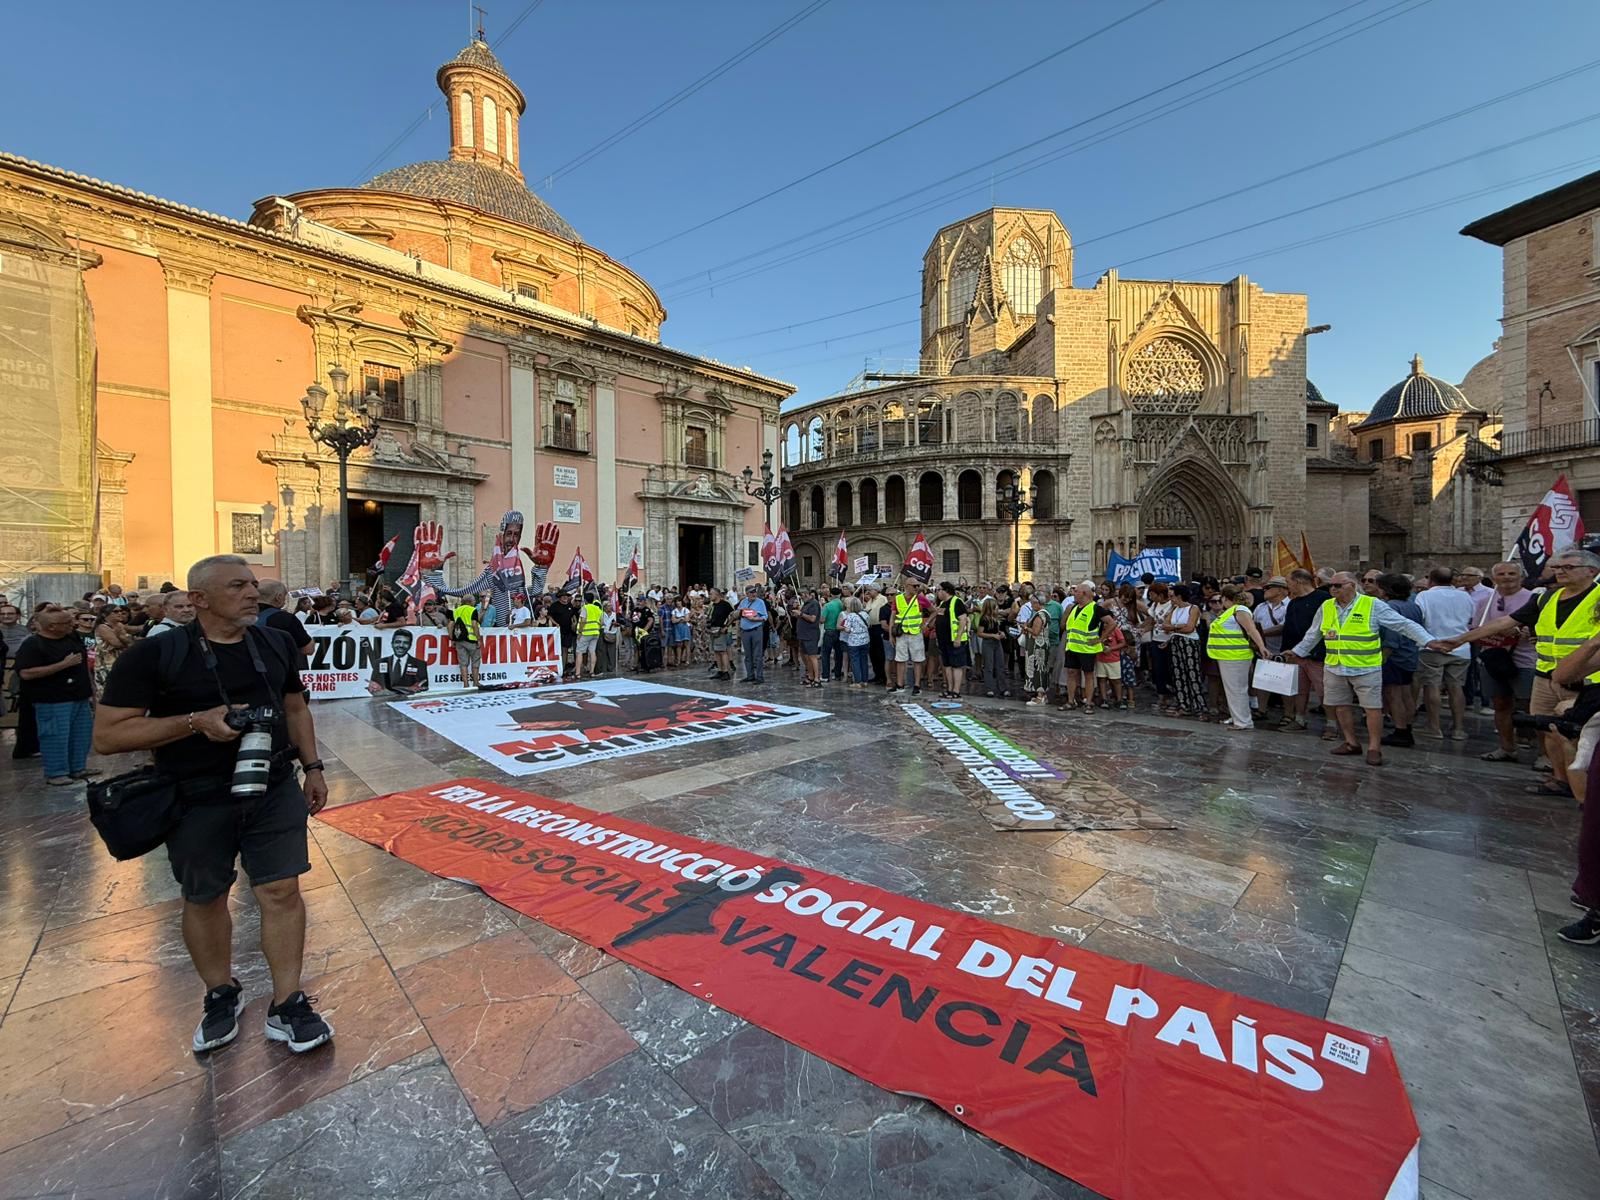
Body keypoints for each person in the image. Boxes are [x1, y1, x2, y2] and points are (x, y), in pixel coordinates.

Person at [94, 555, 332, 1056]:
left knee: (282, 889)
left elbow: (294, 707)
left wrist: (313, 768)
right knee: (205, 896)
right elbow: (109, 735)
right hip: (195, 794)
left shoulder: (275, 642)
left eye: (252, 584)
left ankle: (288, 1002)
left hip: (272, 785)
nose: (252, 593)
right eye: (237, 586)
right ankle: (220, 993)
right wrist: (194, 722)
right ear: (198, 599)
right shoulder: (155, 655)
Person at [1437, 545, 1600, 800]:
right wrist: (1461, 640)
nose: (1560, 572)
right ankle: (1559, 779)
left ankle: (1584, 786)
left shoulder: (1597, 599)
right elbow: (1504, 622)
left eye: (1568, 568)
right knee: (1547, 728)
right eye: (1558, 567)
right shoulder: (1546, 598)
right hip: (1545, 676)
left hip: (1587, 681)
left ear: (1591, 571)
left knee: (1580, 734)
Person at [1287, 571, 1432, 766]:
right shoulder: (1327, 606)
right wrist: (1298, 652)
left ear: (1352, 586)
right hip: (1335, 665)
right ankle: (1351, 742)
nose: (1333, 589)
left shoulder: (1372, 604)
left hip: (1365, 666)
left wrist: (1430, 641)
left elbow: (1402, 625)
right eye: (1331, 585)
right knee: (1340, 705)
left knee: (1372, 708)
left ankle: (1374, 747)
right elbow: (1313, 634)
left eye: (1338, 585)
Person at [15, 607, 95, 784]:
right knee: (55, 736)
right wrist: (62, 665)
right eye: (66, 623)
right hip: (53, 700)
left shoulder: (72, 637)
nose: (72, 625)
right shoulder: (33, 644)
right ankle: (56, 773)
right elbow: (26, 673)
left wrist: (92, 692)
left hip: (79, 696)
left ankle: (77, 767)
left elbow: (84, 667)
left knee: (81, 735)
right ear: (51, 626)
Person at [1472, 562, 1537, 764]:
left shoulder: (1534, 599)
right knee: (1500, 703)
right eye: (1501, 574)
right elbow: (1475, 627)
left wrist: (1527, 631)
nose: (1507, 577)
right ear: (1494, 578)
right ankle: (1507, 747)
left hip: (1526, 658)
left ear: (1521, 577)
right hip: (1493, 657)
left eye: (1511, 573)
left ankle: (1545, 754)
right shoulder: (1486, 600)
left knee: (1532, 706)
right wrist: (1497, 630)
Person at [1414, 565, 1476, 740]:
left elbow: (1420, 618)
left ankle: (1434, 727)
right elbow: (1472, 619)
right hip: (1460, 646)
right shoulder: (1465, 596)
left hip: (1432, 644)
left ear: (1430, 580)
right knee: (1456, 687)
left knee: (1431, 685)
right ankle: (1458, 728)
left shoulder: (1424, 596)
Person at [1206, 584, 1272, 730]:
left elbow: (1251, 629)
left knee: (1237, 689)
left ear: (1224, 598)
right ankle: (1237, 717)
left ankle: (1243, 721)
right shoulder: (1229, 612)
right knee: (1232, 689)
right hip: (1227, 655)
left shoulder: (1240, 610)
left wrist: (1261, 646)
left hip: (1236, 656)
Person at [1375, 573, 1424, 749]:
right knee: (1405, 693)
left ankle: (1401, 729)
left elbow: (1392, 636)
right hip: (1410, 654)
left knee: (1393, 694)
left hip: (1394, 656)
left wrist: (1383, 658)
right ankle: (1407, 726)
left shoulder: (1389, 607)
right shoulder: (1413, 606)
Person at [1279, 569, 1331, 732]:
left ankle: (1332, 724)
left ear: (1299, 581)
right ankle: (1299, 719)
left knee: (1324, 691)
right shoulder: (1294, 602)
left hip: (1317, 654)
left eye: (1289, 582)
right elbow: (1288, 628)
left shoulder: (1323, 600)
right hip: (1295, 653)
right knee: (1299, 690)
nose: (1288, 586)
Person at [1060, 582, 1115, 713]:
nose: (1074, 593)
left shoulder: (1096, 608)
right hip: (1072, 647)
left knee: (1088, 675)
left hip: (1087, 649)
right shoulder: (1073, 608)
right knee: (1071, 673)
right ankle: (1070, 700)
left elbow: (1111, 623)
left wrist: (1101, 639)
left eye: (1076, 591)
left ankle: (1089, 703)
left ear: (1083, 593)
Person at [1163, 584, 1208, 718]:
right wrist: (1178, 627)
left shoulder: (1193, 608)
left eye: (1172, 596)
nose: (1171, 599)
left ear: (1179, 596)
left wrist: (1174, 628)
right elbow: (1165, 626)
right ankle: (1184, 704)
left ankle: (1200, 706)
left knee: (1192, 673)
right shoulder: (1174, 609)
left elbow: (1189, 628)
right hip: (1175, 642)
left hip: (1189, 642)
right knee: (1178, 674)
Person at [255, 579, 314, 664]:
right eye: (284, 596)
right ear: (278, 597)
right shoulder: (286, 618)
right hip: (276, 669)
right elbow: (308, 649)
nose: (285, 600)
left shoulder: (239, 616)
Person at [887, 579, 926, 695]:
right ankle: (900, 684)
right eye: (914, 586)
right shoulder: (898, 599)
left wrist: (926, 624)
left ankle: (917, 685)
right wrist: (891, 635)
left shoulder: (920, 598)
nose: (916, 588)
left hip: (915, 634)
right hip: (902, 633)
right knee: (900, 659)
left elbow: (933, 610)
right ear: (907, 586)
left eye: (918, 586)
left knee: (917, 660)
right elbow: (892, 617)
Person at [366, 627, 430, 695]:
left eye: (405, 643)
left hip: (408, 701)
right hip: (384, 702)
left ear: (410, 645)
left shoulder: (420, 664)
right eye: (398, 642)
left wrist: (419, 688)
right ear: (392, 644)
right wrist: (373, 688)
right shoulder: (379, 662)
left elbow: (424, 687)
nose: (401, 646)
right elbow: (374, 686)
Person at [934, 580, 969, 699]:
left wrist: (958, 638)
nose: (937, 592)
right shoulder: (942, 603)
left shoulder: (956, 602)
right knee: (947, 665)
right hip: (943, 640)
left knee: (956, 665)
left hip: (954, 639)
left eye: (939, 590)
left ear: (946, 591)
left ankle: (956, 690)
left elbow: (963, 620)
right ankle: (949, 689)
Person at [93, 606, 135, 694]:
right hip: (106, 662)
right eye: (115, 611)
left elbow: (131, 641)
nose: (120, 613)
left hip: (120, 660)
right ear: (105, 614)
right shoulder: (102, 627)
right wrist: (122, 637)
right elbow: (117, 644)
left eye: (121, 611)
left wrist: (123, 637)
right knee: (107, 690)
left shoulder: (119, 625)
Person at [738, 585, 769, 684]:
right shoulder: (743, 602)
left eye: (754, 592)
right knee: (748, 654)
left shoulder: (760, 602)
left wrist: (755, 619)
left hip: (756, 629)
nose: (753, 594)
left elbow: (765, 617)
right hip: (745, 630)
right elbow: (739, 612)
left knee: (757, 654)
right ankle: (750, 675)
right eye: (751, 592)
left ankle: (759, 676)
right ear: (747, 594)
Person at [841, 596, 872, 689]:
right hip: (865, 640)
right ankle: (865, 681)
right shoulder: (865, 614)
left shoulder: (850, 616)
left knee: (855, 661)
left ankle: (857, 681)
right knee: (864, 660)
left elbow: (847, 629)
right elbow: (869, 625)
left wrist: (850, 629)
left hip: (854, 642)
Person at [451, 597, 482, 688]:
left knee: (463, 663)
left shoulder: (456, 610)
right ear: (469, 602)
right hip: (471, 640)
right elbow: (474, 624)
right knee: (475, 662)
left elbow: (450, 625)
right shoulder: (472, 610)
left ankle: (466, 684)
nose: (474, 602)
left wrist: (452, 638)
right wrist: (478, 639)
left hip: (459, 640)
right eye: (474, 601)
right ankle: (476, 682)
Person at [572, 592, 603, 681]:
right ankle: (592, 672)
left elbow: (583, 621)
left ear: (585, 600)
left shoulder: (585, 608)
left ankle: (577, 673)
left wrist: (580, 632)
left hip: (585, 633)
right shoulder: (597, 608)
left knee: (579, 652)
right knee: (592, 651)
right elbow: (601, 622)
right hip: (595, 633)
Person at [706, 586, 735, 681]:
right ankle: (720, 670)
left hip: (720, 630)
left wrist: (726, 626)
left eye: (711, 594)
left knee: (722, 651)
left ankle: (726, 671)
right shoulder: (712, 605)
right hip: (712, 630)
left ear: (717, 594)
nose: (709, 595)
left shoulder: (725, 604)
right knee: (716, 651)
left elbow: (733, 615)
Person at [796, 587, 822, 687]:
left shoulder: (814, 604)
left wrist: (801, 614)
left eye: (801, 596)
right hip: (803, 634)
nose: (801, 598)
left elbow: (812, 618)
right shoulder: (806, 604)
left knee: (812, 657)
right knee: (806, 657)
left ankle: (817, 678)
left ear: (805, 594)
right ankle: (810, 676)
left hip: (810, 634)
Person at [819, 587, 845, 683]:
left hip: (830, 631)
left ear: (831, 594)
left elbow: (822, 620)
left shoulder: (827, 605)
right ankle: (837, 674)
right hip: (841, 631)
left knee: (825, 654)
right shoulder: (843, 605)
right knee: (839, 654)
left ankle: (825, 675)